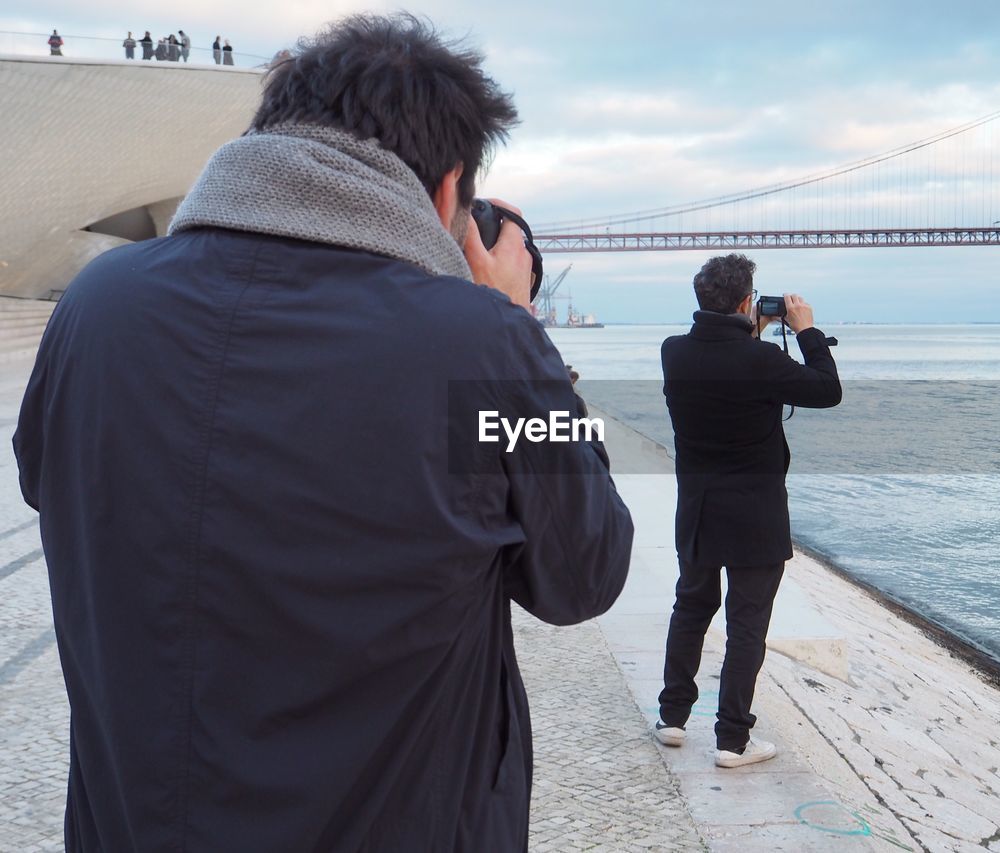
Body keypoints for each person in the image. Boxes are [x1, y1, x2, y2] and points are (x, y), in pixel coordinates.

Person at [13, 13, 632, 852]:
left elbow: (44, 478)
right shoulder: (480, 343)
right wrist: (525, 332)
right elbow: (584, 571)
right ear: (449, 188)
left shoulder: (99, 304)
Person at [653, 254, 841, 768]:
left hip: (697, 509)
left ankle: (672, 717)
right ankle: (732, 740)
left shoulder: (674, 353)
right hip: (756, 514)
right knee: (746, 624)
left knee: (691, 607)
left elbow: (723, 357)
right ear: (745, 301)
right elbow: (828, 389)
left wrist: (746, 327)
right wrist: (807, 331)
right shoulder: (762, 362)